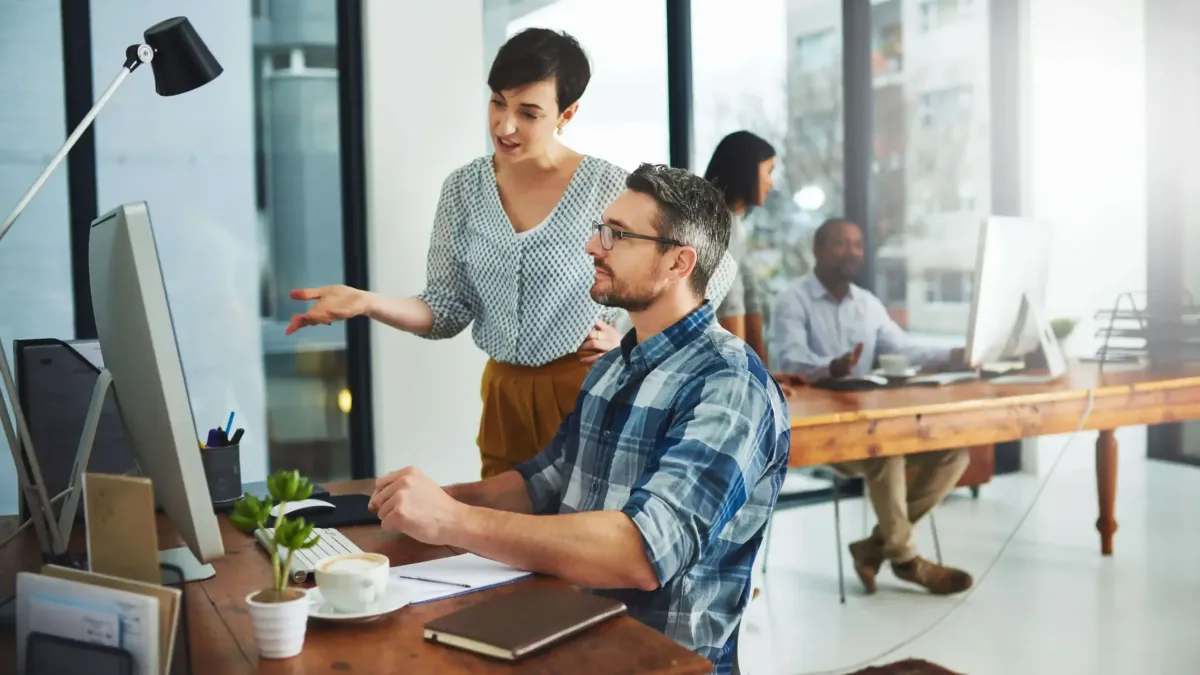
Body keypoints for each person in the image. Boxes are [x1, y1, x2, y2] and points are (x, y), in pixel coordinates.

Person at [367, 163, 791, 674]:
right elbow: (544, 481)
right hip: (566, 634)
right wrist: (415, 502)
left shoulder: (730, 384)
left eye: (617, 235)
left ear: (679, 262)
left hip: (655, 662)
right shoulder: (613, 366)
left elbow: (641, 552)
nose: (593, 247)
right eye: (599, 229)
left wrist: (450, 519)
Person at [284, 28, 735, 479]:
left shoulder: (609, 186)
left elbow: (711, 271)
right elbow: (445, 309)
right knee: (499, 536)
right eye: (497, 102)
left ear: (567, 113)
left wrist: (632, 344)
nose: (505, 126)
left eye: (529, 112)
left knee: (579, 533)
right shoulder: (462, 189)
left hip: (589, 387)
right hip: (504, 397)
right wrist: (365, 302)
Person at [769, 217, 973, 596]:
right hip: (825, 431)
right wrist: (830, 368)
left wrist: (954, 355)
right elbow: (787, 361)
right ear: (818, 250)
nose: (852, 252)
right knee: (886, 454)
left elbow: (905, 349)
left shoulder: (867, 304)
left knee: (954, 453)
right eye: (841, 244)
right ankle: (906, 560)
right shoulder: (791, 301)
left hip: (872, 423)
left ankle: (873, 548)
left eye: (858, 244)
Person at [703, 130, 775, 363]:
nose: (771, 182)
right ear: (746, 169)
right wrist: (742, 372)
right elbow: (730, 300)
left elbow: (749, 292)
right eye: (769, 171)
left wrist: (762, 372)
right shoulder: (718, 219)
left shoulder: (736, 222)